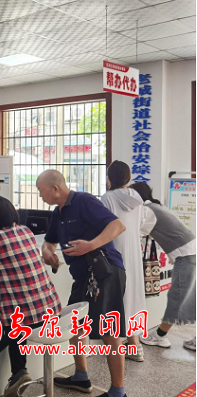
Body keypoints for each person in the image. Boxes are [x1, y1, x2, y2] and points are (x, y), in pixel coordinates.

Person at [36, 170, 127, 397]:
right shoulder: (58, 212)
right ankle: (81, 376)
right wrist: (47, 251)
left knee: (109, 330)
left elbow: (117, 226)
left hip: (105, 272)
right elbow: (49, 241)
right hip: (83, 276)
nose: (40, 195)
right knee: (75, 323)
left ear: (55, 188)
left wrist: (91, 244)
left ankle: (118, 391)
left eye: (41, 190)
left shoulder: (84, 201)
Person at [0, 195, 61, 397]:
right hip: (51, 312)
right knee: (15, 325)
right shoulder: (26, 231)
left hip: (24, 319)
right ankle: (19, 373)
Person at [129, 182, 196, 351]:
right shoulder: (157, 206)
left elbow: (135, 232)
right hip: (192, 251)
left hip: (187, 255)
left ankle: (160, 336)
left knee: (177, 298)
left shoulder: (147, 210)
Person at [101, 161, 146, 361]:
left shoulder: (108, 198)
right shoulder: (137, 197)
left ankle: (116, 345)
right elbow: (141, 224)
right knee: (132, 294)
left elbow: (102, 225)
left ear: (109, 177)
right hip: (134, 251)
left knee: (117, 297)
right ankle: (135, 345)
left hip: (114, 251)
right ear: (128, 177)